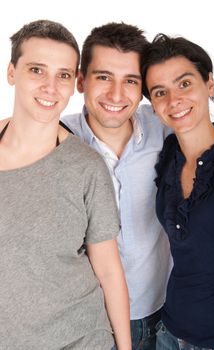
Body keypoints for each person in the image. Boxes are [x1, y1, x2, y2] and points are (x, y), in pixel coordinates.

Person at [0, 19, 131, 350]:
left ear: (75, 83)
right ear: (12, 72)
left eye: (63, 75)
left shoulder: (86, 167)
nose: (51, 86)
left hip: (81, 339)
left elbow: (109, 271)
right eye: (37, 70)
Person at [61, 22, 172, 350]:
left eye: (131, 81)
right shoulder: (57, 137)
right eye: (104, 77)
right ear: (81, 80)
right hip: (93, 322)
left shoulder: (164, 126)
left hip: (168, 311)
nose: (116, 95)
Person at [142, 33, 214, 350]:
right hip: (168, 332)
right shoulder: (167, 154)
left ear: (209, 84)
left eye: (184, 84)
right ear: (152, 104)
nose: (173, 101)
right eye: (160, 92)